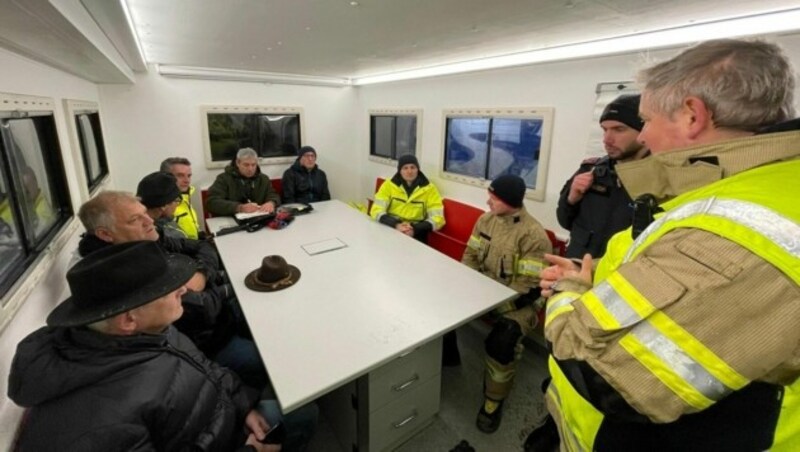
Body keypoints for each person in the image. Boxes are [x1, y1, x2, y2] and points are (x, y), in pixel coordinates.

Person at [528, 38, 800, 451]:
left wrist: (571, 291)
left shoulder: (733, 234)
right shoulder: (748, 191)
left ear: (692, 115)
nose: (646, 136)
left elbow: (597, 372)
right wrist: (599, 272)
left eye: (647, 120)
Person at [8, 241, 317, 451]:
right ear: (128, 319)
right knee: (304, 415)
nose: (183, 288)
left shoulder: (152, 330)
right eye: (166, 288)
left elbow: (205, 368)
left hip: (223, 419)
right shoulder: (99, 424)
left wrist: (243, 405)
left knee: (303, 409)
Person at [76, 191, 267, 390]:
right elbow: (202, 308)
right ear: (105, 234)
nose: (149, 221)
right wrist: (231, 287)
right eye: (135, 219)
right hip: (208, 343)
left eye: (144, 213)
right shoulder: (114, 274)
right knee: (267, 356)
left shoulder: (146, 237)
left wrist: (201, 274)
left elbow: (202, 246)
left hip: (217, 317)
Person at [462, 174, 552, 433]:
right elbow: (469, 255)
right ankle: (449, 356)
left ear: (510, 201)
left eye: (494, 196)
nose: (488, 200)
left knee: (502, 340)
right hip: (484, 289)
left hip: (519, 303)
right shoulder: (485, 220)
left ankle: (493, 401)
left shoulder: (534, 236)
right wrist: (463, 285)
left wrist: (492, 306)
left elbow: (529, 288)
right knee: (442, 306)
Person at [556, 94, 649, 258]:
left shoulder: (660, 180)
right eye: (605, 130)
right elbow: (564, 221)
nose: (607, 139)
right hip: (575, 268)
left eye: (619, 129)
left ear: (643, 131)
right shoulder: (591, 170)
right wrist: (572, 199)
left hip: (617, 276)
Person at [370, 154, 445, 242]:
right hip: (390, 227)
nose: (409, 171)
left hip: (417, 232)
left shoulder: (430, 189)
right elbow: (376, 210)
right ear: (399, 171)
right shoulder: (388, 185)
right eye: (405, 168)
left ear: (418, 170)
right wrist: (396, 225)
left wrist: (414, 229)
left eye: (413, 167)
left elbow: (438, 218)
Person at [207, 147, 281, 216]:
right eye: (246, 165)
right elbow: (212, 202)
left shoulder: (264, 179)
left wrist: (271, 203)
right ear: (237, 163)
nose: (250, 169)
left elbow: (273, 195)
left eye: (253, 165)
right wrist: (239, 208)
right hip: (232, 221)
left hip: (258, 220)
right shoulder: (223, 179)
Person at [160, 157, 204, 239]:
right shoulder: (162, 206)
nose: (187, 180)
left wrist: (200, 234)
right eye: (180, 175)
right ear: (165, 177)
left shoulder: (185, 197)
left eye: (189, 176)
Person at [137, 171, 186, 239]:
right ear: (164, 205)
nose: (177, 205)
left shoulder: (129, 227)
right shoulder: (171, 235)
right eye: (177, 200)